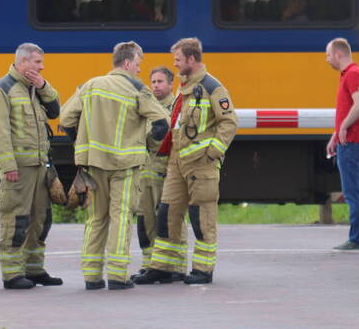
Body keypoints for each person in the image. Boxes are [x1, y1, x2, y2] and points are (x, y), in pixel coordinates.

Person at [134, 37, 238, 286]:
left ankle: (203, 269)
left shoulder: (213, 88)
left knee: (201, 218)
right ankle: (162, 267)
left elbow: (229, 122)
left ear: (191, 60)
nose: (175, 64)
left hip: (201, 165)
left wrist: (213, 152)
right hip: (177, 164)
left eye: (178, 60)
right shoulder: (185, 88)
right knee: (166, 215)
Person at [69, 42, 169, 290]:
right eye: (138, 64)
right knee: (121, 217)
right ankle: (117, 275)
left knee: (96, 218)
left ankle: (91, 277)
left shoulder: (90, 85)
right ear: (127, 63)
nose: (139, 70)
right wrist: (146, 143)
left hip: (93, 165)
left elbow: (66, 119)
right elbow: (162, 124)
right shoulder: (138, 89)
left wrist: (84, 142)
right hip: (126, 165)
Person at [0, 43, 62, 290]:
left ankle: (34, 269)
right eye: (37, 62)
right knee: (16, 219)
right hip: (18, 168)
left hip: (40, 164)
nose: (42, 67)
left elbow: (55, 111)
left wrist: (43, 85)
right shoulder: (3, 88)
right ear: (22, 62)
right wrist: (8, 164)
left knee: (41, 219)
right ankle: (11, 274)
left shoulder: (35, 87)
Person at [135, 66, 182, 270]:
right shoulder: (147, 106)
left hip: (167, 170)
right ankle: (150, 264)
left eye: (160, 81)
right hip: (146, 171)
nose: (156, 85)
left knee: (168, 217)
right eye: (153, 82)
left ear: (170, 84)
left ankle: (174, 265)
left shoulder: (176, 107)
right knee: (145, 218)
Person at [325, 37, 359, 251]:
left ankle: (357, 238)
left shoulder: (353, 74)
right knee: (354, 190)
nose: (327, 59)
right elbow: (348, 108)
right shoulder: (348, 75)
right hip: (347, 140)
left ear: (338, 54)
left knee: (352, 191)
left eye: (328, 55)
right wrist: (335, 134)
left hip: (353, 142)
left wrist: (344, 128)